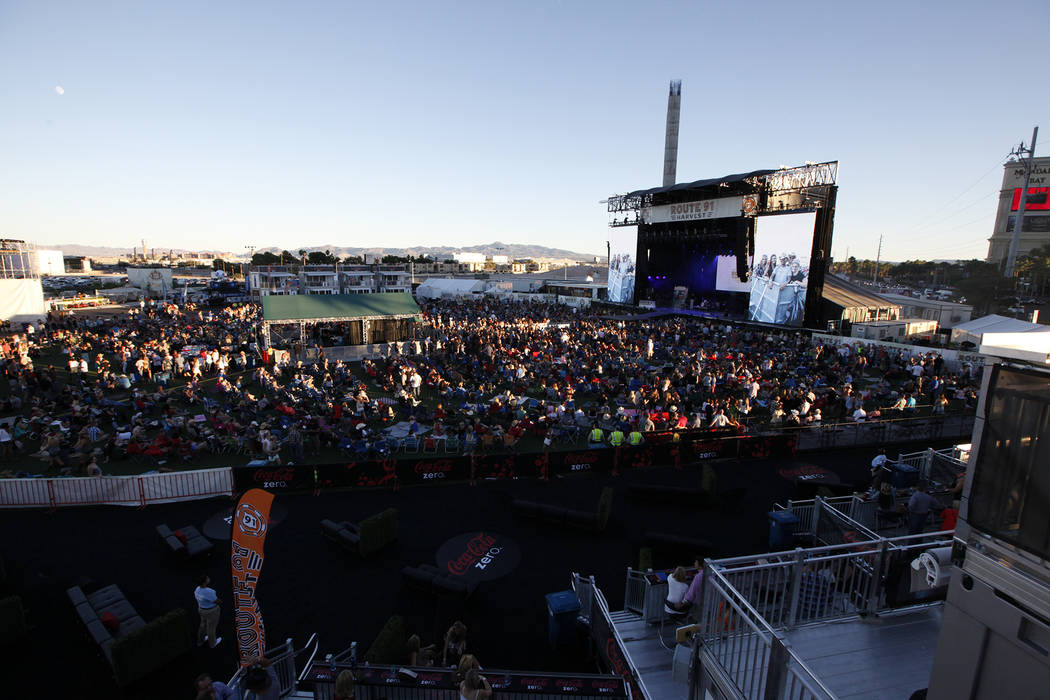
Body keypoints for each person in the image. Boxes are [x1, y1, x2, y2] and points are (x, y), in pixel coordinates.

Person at [194, 574, 222, 648]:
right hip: (211, 611)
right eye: (207, 578)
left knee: (202, 625)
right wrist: (220, 602)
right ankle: (213, 643)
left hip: (201, 610)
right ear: (204, 582)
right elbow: (216, 601)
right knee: (211, 628)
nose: (208, 578)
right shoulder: (209, 591)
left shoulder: (197, 589)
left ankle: (200, 640)